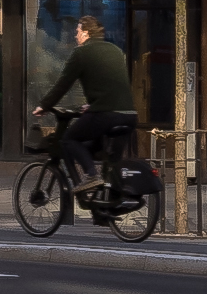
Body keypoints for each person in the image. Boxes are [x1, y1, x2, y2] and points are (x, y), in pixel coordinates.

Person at [36, 10, 137, 195]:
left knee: (69, 139)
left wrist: (44, 105)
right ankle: (107, 206)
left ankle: (91, 175)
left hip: (106, 114)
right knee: (108, 157)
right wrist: (92, 104)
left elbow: (63, 84)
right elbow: (113, 83)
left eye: (77, 31)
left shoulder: (81, 53)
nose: (75, 35)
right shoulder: (115, 50)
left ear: (85, 33)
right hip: (129, 115)